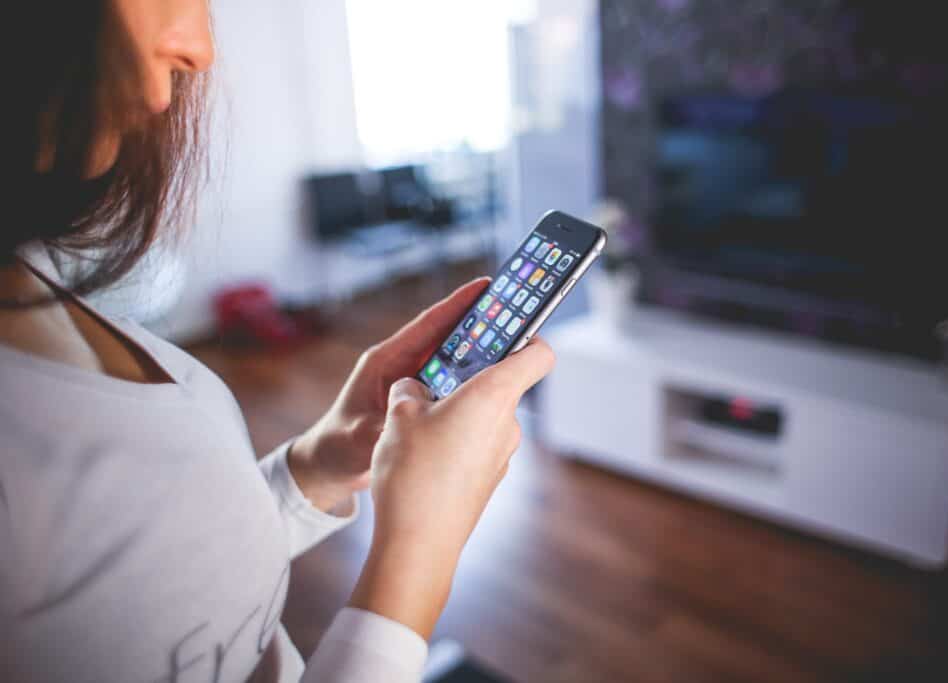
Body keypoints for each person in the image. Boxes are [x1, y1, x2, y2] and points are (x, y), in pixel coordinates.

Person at [0, 1, 555, 681]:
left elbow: (156, 579)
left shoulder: (29, 269)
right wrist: (420, 546)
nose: (200, 46)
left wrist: (317, 465)